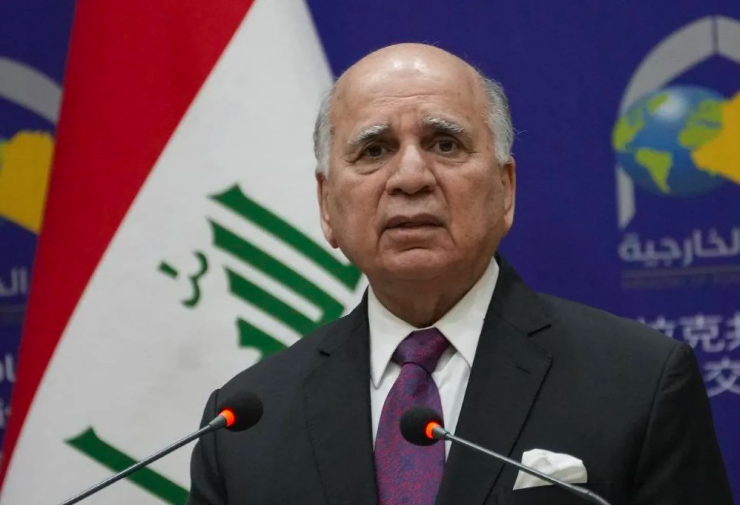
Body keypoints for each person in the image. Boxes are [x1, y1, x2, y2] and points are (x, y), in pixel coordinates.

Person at [186, 43, 732, 505]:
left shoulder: (639, 383)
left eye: (444, 144)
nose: (410, 177)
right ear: (327, 205)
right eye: (374, 150)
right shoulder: (243, 424)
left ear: (505, 190)